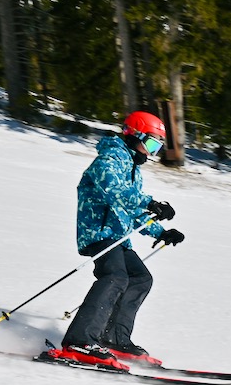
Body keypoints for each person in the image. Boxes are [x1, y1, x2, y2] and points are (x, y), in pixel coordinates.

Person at [56, 110, 185, 369]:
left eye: (157, 147)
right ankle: (80, 340)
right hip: (99, 233)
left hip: (117, 237)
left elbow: (134, 211)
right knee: (115, 276)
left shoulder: (133, 169)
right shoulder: (109, 159)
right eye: (150, 143)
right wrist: (152, 202)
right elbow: (115, 191)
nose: (151, 152)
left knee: (140, 278)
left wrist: (161, 232)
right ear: (133, 134)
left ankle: (113, 338)